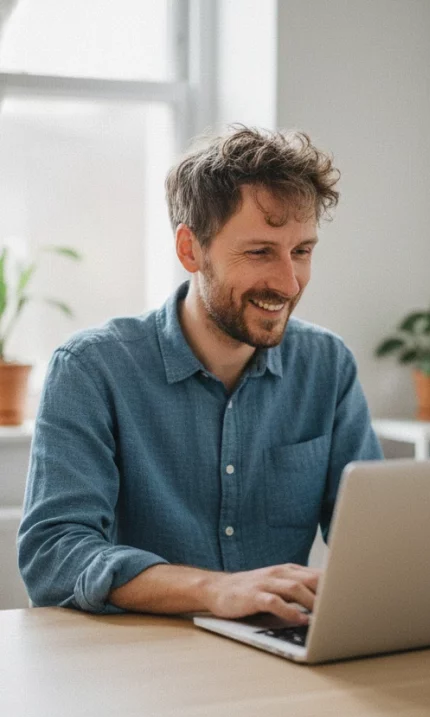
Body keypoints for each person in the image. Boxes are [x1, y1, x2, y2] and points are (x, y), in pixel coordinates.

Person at [18, 127, 382, 623]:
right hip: (138, 664)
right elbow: (53, 556)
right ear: (191, 250)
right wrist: (213, 590)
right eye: (259, 252)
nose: (289, 282)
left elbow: (375, 542)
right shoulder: (90, 370)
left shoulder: (328, 366)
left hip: (279, 655)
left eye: (301, 251)